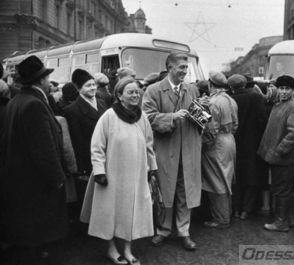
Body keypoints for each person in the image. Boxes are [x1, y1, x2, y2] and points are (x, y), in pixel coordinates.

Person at [80, 77, 157, 265]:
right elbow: (97, 146)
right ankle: (112, 249)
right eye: (130, 92)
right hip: (111, 175)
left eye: (137, 92)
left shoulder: (143, 117)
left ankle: (128, 250)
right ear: (120, 95)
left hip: (137, 175)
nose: (135, 95)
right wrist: (99, 171)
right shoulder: (109, 116)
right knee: (110, 213)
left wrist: (152, 169)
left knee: (131, 213)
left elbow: (149, 145)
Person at [0, 55, 68, 265]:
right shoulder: (34, 104)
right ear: (40, 81)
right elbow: (43, 149)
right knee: (33, 235)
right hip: (35, 183)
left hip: (19, 180)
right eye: (47, 78)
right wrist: (57, 178)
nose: (49, 82)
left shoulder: (17, 101)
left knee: (26, 235)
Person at [142, 52, 202, 250]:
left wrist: (202, 111)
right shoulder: (153, 90)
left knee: (186, 191)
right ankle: (163, 230)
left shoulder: (192, 89)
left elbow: (197, 119)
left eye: (187, 68)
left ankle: (184, 231)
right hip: (166, 149)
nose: (186, 71)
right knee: (165, 190)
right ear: (170, 68)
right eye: (182, 68)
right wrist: (172, 117)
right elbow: (147, 117)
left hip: (188, 150)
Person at [257, 75, 294, 232]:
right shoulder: (280, 105)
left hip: (283, 158)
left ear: (293, 90)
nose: (284, 91)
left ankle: (281, 222)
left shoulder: (293, 107)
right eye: (281, 88)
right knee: (283, 189)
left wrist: (279, 150)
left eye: (287, 89)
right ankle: (287, 219)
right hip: (278, 157)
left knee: (282, 190)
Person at [64, 69, 107, 217]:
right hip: (88, 160)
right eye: (88, 85)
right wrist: (81, 168)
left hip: (106, 156)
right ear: (78, 88)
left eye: (94, 84)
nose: (93, 88)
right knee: (89, 199)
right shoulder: (72, 110)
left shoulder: (102, 103)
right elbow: (77, 141)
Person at [228, 74, 268, 220]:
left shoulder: (229, 98)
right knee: (251, 176)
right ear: (245, 84)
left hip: (233, 141)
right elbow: (262, 119)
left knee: (235, 177)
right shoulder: (256, 98)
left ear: (231, 86)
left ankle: (236, 209)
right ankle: (246, 209)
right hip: (252, 142)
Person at [201, 71, 238, 228]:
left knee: (216, 180)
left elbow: (211, 130)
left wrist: (204, 144)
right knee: (226, 177)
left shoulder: (213, 102)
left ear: (210, 84)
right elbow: (235, 124)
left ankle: (221, 219)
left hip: (217, 143)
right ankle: (226, 213)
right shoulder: (230, 99)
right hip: (229, 139)